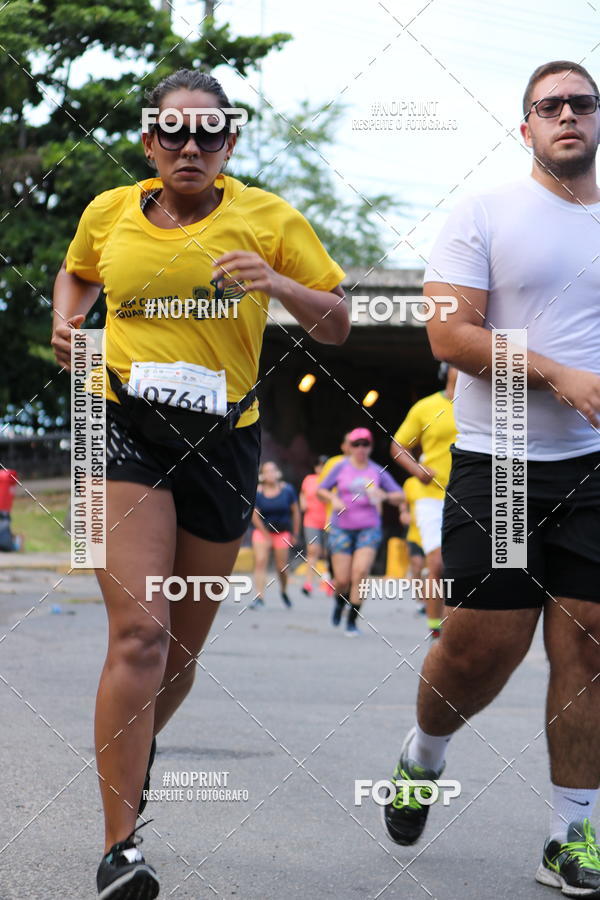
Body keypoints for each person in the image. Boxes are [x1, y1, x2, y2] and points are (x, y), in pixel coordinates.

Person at [51, 68, 349, 900]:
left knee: (180, 651)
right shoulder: (109, 212)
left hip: (225, 439)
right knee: (141, 636)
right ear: (149, 141)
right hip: (123, 428)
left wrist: (279, 284)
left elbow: (339, 318)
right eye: (173, 131)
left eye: (209, 132)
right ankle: (121, 848)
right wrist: (64, 322)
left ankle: (130, 760)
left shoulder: (267, 218)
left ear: (229, 144)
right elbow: (77, 275)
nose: (190, 145)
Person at [382, 60, 600, 898]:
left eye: (581, 103)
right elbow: (451, 338)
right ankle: (422, 753)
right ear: (527, 127)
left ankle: (569, 833)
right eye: (550, 106)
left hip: (595, 466)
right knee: (485, 650)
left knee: (588, 639)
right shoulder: (485, 211)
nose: (567, 116)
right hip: (501, 459)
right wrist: (557, 374)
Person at [390, 364, 457, 638]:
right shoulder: (426, 407)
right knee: (439, 564)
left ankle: (461, 623)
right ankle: (435, 627)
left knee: (471, 564)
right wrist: (418, 470)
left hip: (474, 495)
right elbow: (398, 446)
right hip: (432, 497)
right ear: (446, 370)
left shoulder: (491, 404)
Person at [317, 428, 404, 635]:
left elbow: (400, 496)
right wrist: (334, 498)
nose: (360, 448)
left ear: (370, 447)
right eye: (356, 444)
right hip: (341, 528)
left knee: (361, 572)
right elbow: (321, 489)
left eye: (365, 444)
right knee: (342, 579)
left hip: (369, 527)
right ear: (349, 447)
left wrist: (384, 496)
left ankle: (352, 621)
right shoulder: (340, 467)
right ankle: (339, 602)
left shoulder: (376, 470)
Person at [250, 461, 300, 609]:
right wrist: (265, 535)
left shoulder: (287, 490)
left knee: (281, 567)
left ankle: (284, 590)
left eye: (272, 470)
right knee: (260, 561)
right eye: (266, 471)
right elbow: (254, 514)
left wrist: (295, 533)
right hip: (262, 531)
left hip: (282, 532)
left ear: (278, 473)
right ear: (262, 475)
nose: (270, 474)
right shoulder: (258, 492)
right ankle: (259, 596)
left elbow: (295, 512)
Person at [299, 455, 328, 595]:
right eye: (318, 465)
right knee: (312, 551)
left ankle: (328, 582)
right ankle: (308, 583)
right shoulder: (309, 479)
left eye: (324, 465)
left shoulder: (331, 480)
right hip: (311, 520)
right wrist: (303, 501)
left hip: (329, 521)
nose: (320, 468)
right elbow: (302, 494)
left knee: (329, 553)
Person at [401, 475, 426, 613]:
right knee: (417, 567)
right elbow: (403, 502)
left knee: (437, 569)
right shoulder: (410, 482)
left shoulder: (442, 479)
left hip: (435, 534)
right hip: (415, 533)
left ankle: (436, 601)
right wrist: (403, 512)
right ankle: (420, 601)